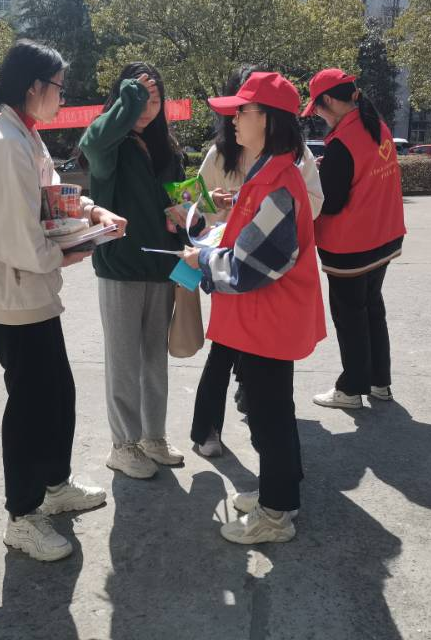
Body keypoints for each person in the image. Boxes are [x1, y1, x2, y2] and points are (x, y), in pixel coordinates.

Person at [0, 39, 126, 562]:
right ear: (34, 87)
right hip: (15, 298)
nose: (62, 96)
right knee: (31, 407)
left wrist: (93, 213)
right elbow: (15, 238)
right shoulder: (6, 143)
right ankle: (22, 515)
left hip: (31, 294)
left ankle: (55, 486)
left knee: (56, 394)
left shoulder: (23, 135)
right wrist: (67, 254)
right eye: (59, 87)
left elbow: (55, 198)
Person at [182, 71, 326, 544]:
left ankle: (275, 514)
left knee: (269, 417)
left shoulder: (277, 181)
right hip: (262, 320)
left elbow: (250, 266)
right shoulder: (267, 172)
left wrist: (202, 259)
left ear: (266, 118)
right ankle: (278, 493)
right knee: (271, 412)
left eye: (240, 111)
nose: (233, 119)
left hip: (269, 320)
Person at [78, 62, 188, 480]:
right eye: (138, 98)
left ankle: (153, 436)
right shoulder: (111, 145)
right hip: (120, 268)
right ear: (122, 99)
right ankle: (123, 445)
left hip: (162, 266)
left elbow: (179, 198)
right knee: (124, 361)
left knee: (154, 359)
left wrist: (191, 209)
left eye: (154, 99)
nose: (147, 107)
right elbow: (92, 141)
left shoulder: (167, 149)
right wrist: (131, 99)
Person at [303, 69, 407, 411]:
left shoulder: (342, 142)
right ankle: (380, 382)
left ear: (329, 101)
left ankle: (350, 388)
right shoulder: (376, 126)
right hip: (383, 237)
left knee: (350, 316)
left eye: (318, 108)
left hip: (350, 245)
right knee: (372, 308)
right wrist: (329, 167)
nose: (318, 116)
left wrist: (316, 179)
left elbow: (330, 202)